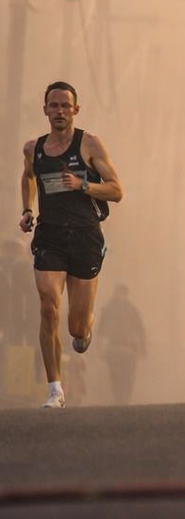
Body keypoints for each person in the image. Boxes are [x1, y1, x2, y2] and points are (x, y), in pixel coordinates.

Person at [18, 81, 123, 409]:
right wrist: (26, 209)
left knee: (77, 328)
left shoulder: (90, 144)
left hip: (85, 236)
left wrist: (83, 184)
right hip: (49, 235)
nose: (60, 111)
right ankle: (55, 389)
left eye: (66, 106)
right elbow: (28, 176)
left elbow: (117, 190)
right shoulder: (33, 148)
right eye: (54, 105)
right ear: (45, 110)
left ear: (76, 110)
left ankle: (84, 331)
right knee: (48, 307)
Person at [98, 283, 146, 405]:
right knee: (126, 376)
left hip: (116, 348)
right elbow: (140, 329)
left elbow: (101, 331)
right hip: (126, 348)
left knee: (116, 376)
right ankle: (123, 399)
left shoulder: (108, 309)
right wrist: (143, 348)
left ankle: (120, 399)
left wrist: (101, 349)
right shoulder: (131, 309)